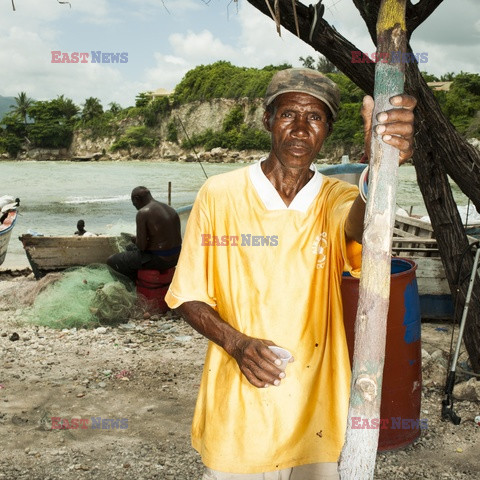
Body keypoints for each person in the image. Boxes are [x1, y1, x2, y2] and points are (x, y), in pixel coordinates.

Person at [165, 68, 416, 479]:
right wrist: (238, 344)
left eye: (314, 118)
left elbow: (359, 224)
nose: (300, 129)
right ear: (268, 120)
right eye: (288, 115)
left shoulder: (336, 197)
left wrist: (381, 165)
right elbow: (187, 293)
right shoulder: (220, 194)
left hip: (314, 406)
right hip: (242, 402)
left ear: (328, 130)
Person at [107, 186, 182, 282]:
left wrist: (135, 240)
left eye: (134, 203)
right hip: (176, 257)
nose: (135, 207)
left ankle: (131, 286)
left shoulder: (143, 213)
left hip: (161, 260)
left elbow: (141, 247)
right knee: (129, 248)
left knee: (111, 261)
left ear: (136, 199)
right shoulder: (170, 209)